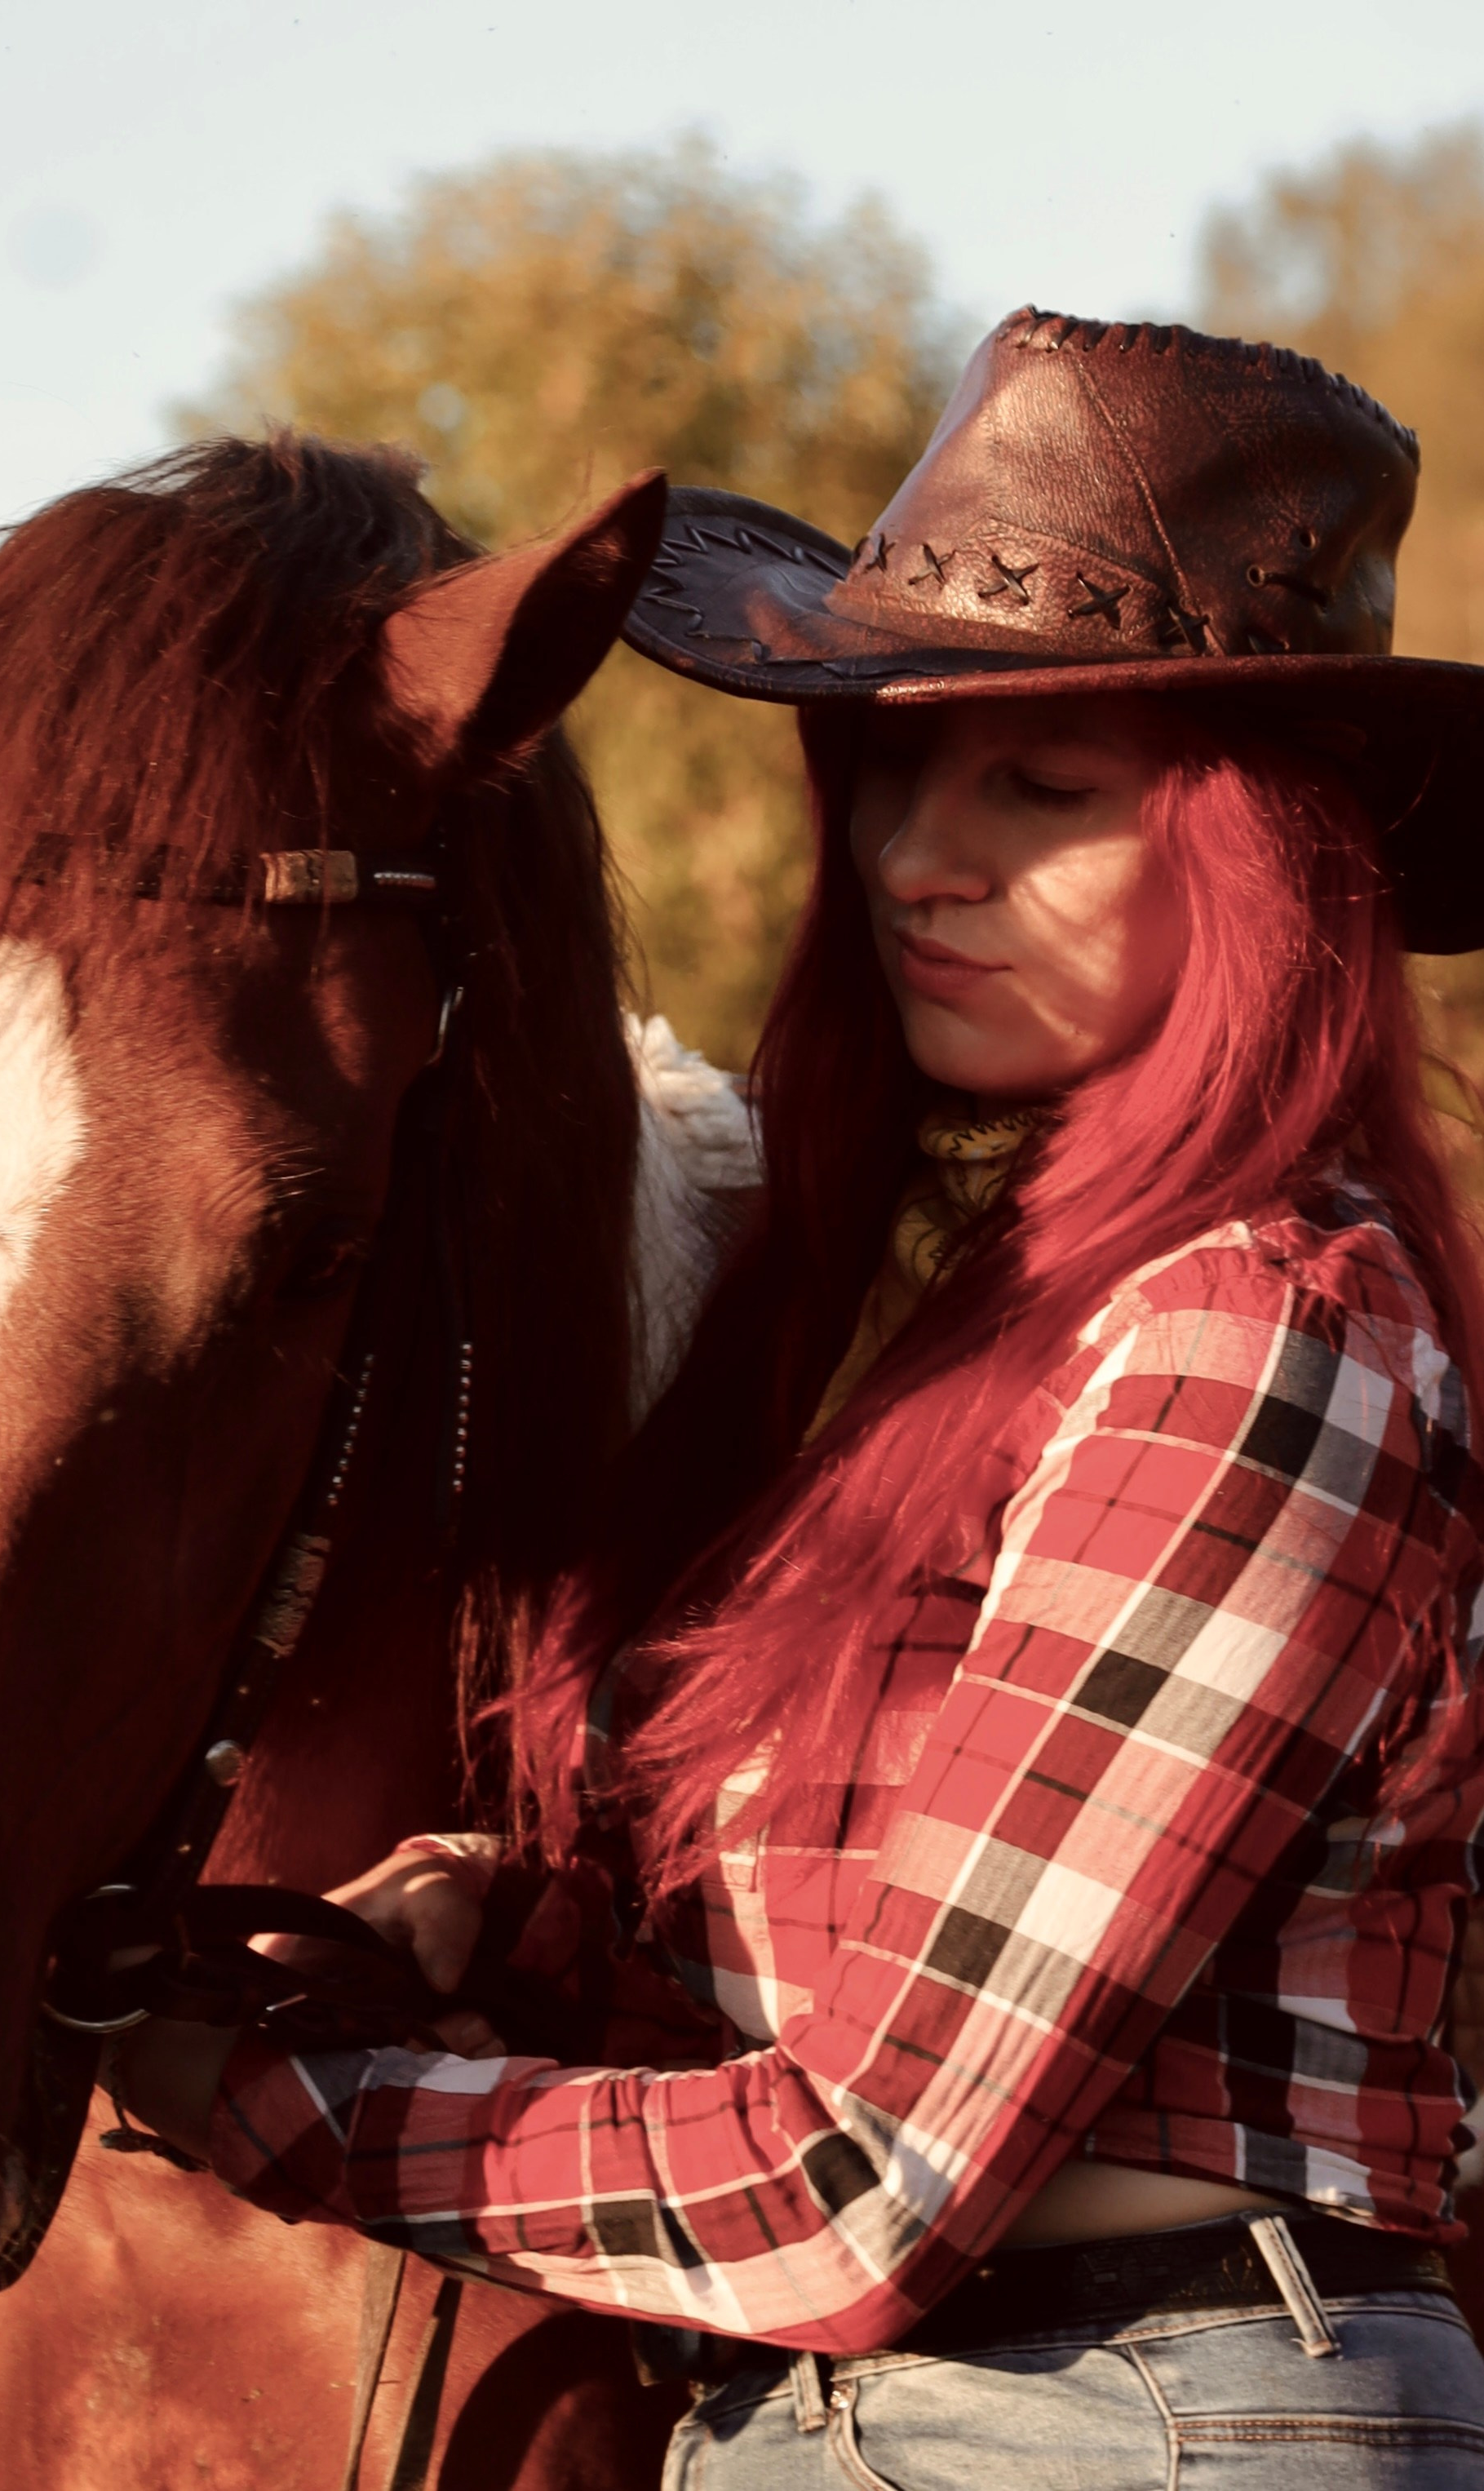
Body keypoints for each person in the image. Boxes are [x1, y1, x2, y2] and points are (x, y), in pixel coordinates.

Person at [120, 311, 1484, 2484]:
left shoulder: (1263, 1334)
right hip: (923, 2419)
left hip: (1115, 2425)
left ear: (1254, 858)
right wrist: (518, 1905)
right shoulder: (1000, 1317)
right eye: (889, 775)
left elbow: (860, 2188)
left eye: (1038, 788)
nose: (911, 859)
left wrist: (256, 2100)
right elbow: (912, 1926)